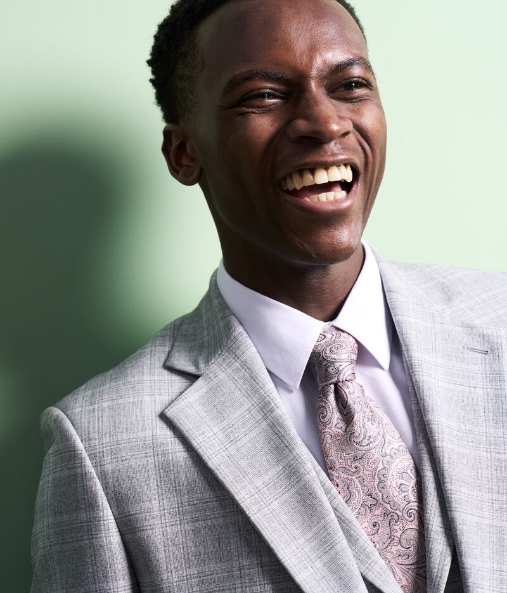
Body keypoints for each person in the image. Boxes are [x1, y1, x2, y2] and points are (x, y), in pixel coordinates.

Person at [30, 0, 507, 591]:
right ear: (184, 153)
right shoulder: (102, 444)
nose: (325, 123)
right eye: (263, 96)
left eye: (350, 86)